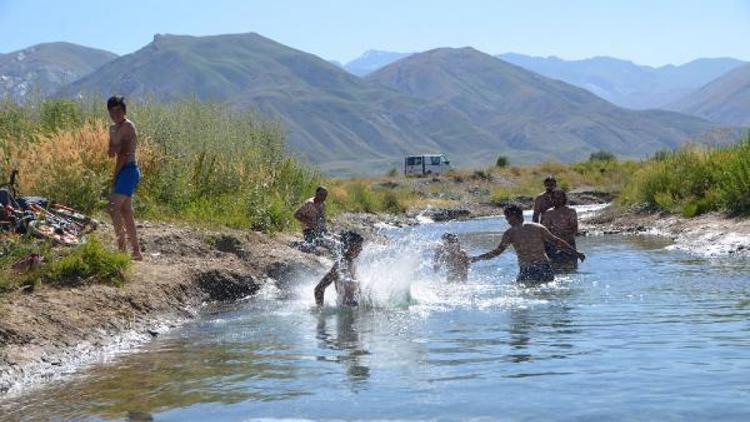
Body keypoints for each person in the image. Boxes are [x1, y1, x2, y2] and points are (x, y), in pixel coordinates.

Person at [471, 205, 585, 284]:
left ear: (514, 216)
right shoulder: (538, 227)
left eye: (507, 218)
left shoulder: (510, 233)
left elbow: (497, 252)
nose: (507, 221)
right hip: (544, 267)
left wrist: (478, 258)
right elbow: (557, 242)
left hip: (527, 269)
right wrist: (576, 253)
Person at [107, 96, 142, 260]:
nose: (116, 114)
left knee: (113, 208)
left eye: (119, 110)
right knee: (126, 211)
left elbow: (122, 154)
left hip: (128, 170)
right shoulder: (113, 129)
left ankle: (122, 250)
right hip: (124, 171)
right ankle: (136, 252)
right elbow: (111, 152)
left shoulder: (128, 126)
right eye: (112, 111)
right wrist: (115, 147)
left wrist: (115, 176)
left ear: (124, 111)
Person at [314, 231, 364, 307]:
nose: (361, 249)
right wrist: (320, 312)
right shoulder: (339, 266)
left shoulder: (352, 262)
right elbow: (319, 289)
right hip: (345, 314)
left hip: (354, 312)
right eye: (359, 246)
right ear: (350, 246)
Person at [541, 189, 579, 270]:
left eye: (559, 198)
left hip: (569, 243)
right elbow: (544, 231)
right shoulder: (548, 213)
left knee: (572, 270)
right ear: (552, 199)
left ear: (564, 199)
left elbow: (575, 228)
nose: (557, 200)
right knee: (555, 270)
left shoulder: (571, 211)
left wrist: (565, 236)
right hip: (553, 245)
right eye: (554, 198)